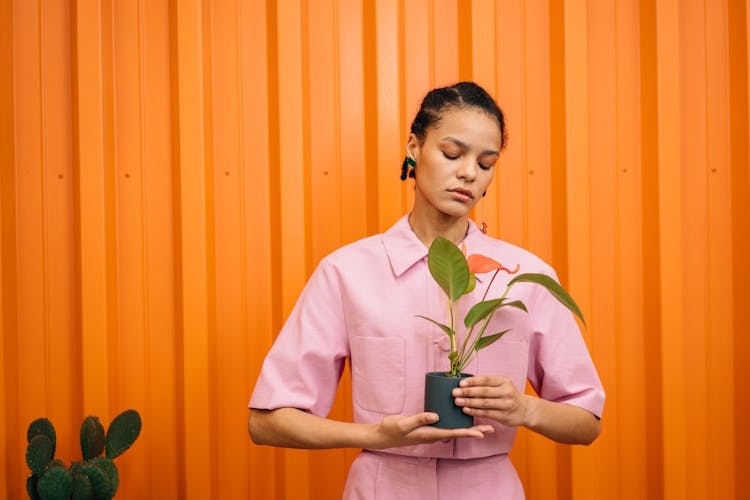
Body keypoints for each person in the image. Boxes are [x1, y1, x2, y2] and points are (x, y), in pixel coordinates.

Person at [248, 81, 604, 499]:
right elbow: (266, 421)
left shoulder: (521, 275)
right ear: (414, 148)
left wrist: (526, 408)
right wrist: (375, 434)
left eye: (486, 163)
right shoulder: (347, 272)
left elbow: (587, 423)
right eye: (453, 154)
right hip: (382, 487)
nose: (469, 172)